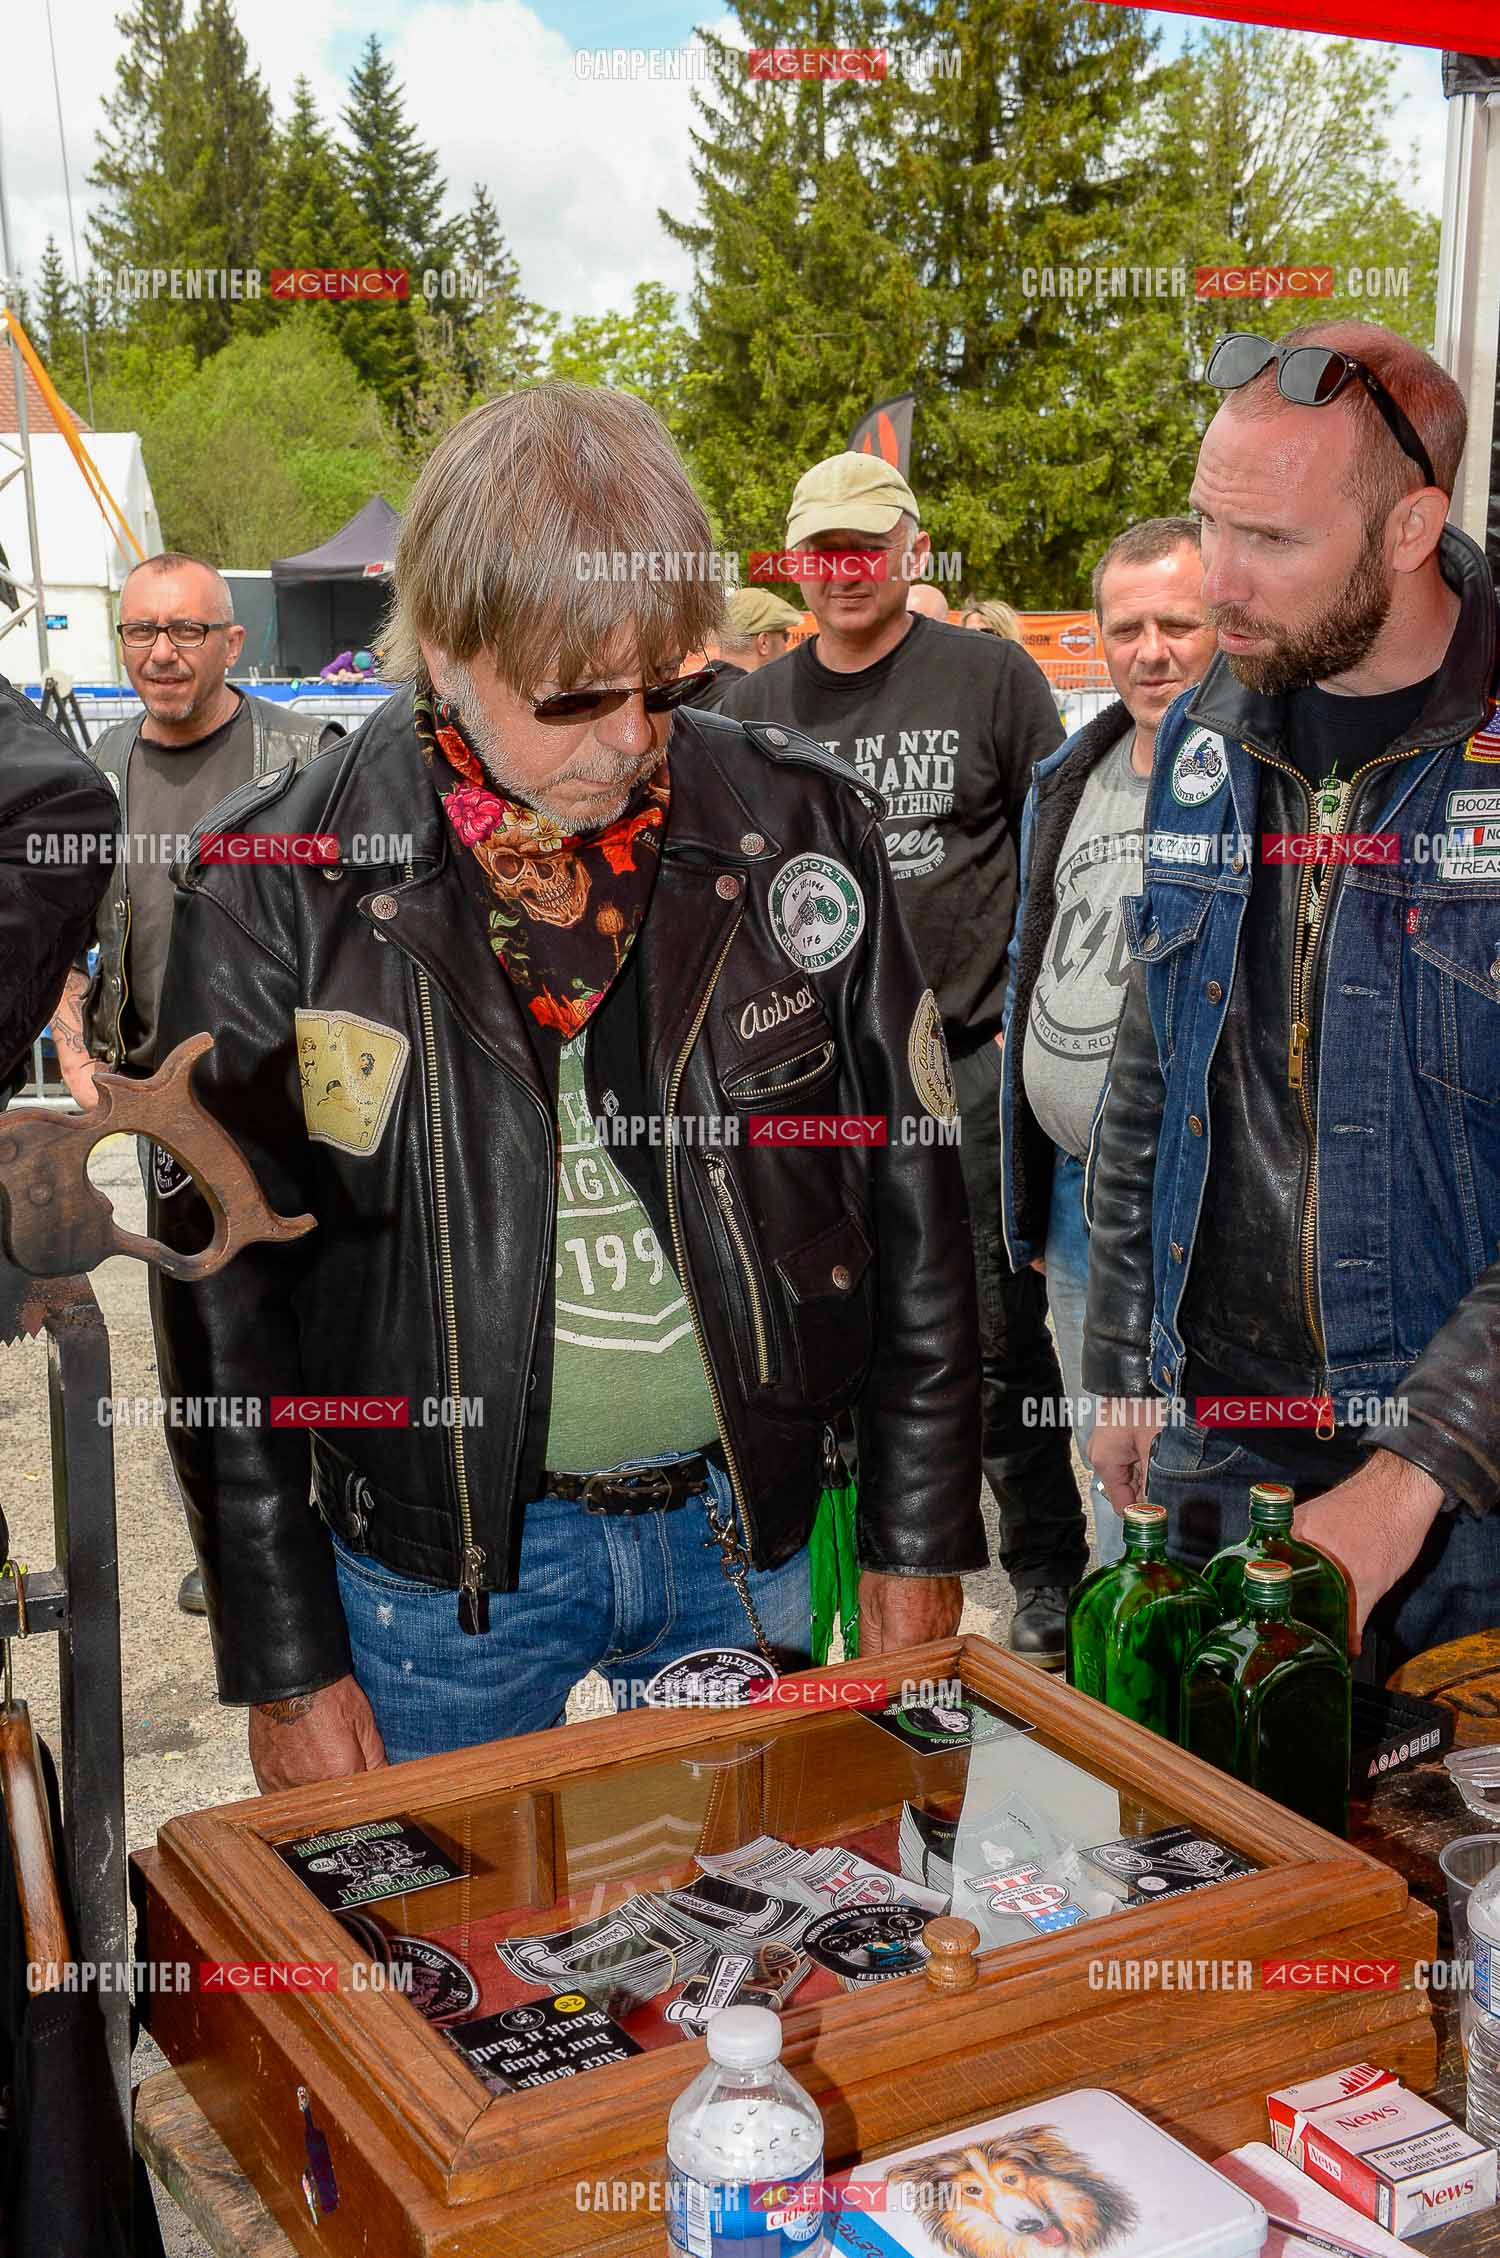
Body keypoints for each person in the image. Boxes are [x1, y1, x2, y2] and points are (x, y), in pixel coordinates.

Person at [149, 384, 983, 1790]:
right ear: (449, 646)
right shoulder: (273, 884)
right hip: (440, 1590)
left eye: (662, 684)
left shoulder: (796, 822)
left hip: (747, 1537)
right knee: (440, 1923)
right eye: (575, 697)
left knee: (777, 1909)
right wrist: (284, 1657)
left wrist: (916, 1538)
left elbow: (917, 1206)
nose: (629, 738)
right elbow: (218, 1307)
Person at [1084, 317, 1500, 1679]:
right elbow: (1151, 1064)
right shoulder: (1210, 724)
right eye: (1210, 522)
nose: (1219, 581)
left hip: (1464, 1492)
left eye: (1269, 538)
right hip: (1221, 1449)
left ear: (1411, 527)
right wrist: (1124, 1354)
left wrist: (1410, 1477)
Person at [718, 450, 1087, 1664]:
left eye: (865, 548)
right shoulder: (753, 708)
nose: (843, 571)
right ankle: (848, 1574)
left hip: (960, 1065)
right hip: (813, 1078)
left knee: (990, 1330)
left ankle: (1046, 1565)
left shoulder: (989, 675)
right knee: (820, 1324)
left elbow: (1056, 844)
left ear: (910, 551)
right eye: (820, 550)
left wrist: (1037, 1019)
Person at [50, 552, 340, 1613]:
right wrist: (72, 1044)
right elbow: (64, 929)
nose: (162, 652)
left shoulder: (309, 755)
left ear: (233, 641)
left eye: (185, 630)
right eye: (141, 631)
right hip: (168, 1117)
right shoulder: (96, 770)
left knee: (330, 1324)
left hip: (305, 1102)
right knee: (202, 1345)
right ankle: (235, 1563)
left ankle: (351, 1547)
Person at [1000, 520, 1216, 1565]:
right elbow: (1033, 960)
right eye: (1127, 629)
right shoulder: (1069, 776)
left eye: (1179, 624)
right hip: (1077, 1198)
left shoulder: (1252, 780)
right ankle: (1120, 1640)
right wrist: (1035, 1187)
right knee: (1111, 1467)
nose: (1151, 651)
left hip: (1195, 1206)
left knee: (1195, 1476)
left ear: (1224, 626)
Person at [0, 675, 118, 1098]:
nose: (162, 653)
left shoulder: (59, 791)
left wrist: (75, 1050)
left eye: (188, 638)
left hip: (222, 1072)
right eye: (140, 638)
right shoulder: (112, 751)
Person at [692, 587, 805, 708]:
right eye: (785, 636)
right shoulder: (758, 703)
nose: (786, 646)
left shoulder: (696, 689)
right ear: (764, 642)